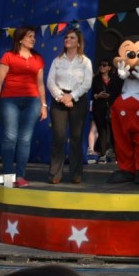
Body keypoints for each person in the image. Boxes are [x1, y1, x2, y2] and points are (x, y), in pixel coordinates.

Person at [0, 27, 47, 188]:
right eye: (29, 36)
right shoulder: (8, 56)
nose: (33, 39)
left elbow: (40, 84)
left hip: (33, 101)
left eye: (34, 36)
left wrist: (43, 104)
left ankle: (20, 175)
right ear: (20, 39)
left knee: (25, 138)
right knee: (10, 137)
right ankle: (8, 177)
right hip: (10, 100)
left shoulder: (38, 58)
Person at [46, 28, 93, 184]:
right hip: (59, 100)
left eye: (72, 38)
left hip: (78, 100)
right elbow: (50, 81)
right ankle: (55, 174)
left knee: (76, 138)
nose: (68, 39)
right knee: (58, 137)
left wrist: (72, 96)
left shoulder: (85, 61)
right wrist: (62, 97)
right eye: (66, 37)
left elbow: (87, 84)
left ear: (78, 43)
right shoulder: (57, 60)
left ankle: (76, 174)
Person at [90, 58, 121, 162]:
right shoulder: (95, 79)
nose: (102, 67)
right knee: (102, 130)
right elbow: (91, 93)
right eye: (100, 65)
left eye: (104, 65)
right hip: (99, 107)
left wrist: (110, 95)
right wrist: (97, 95)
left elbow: (118, 92)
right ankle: (103, 154)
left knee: (114, 131)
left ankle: (118, 155)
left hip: (112, 107)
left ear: (109, 67)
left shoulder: (115, 79)